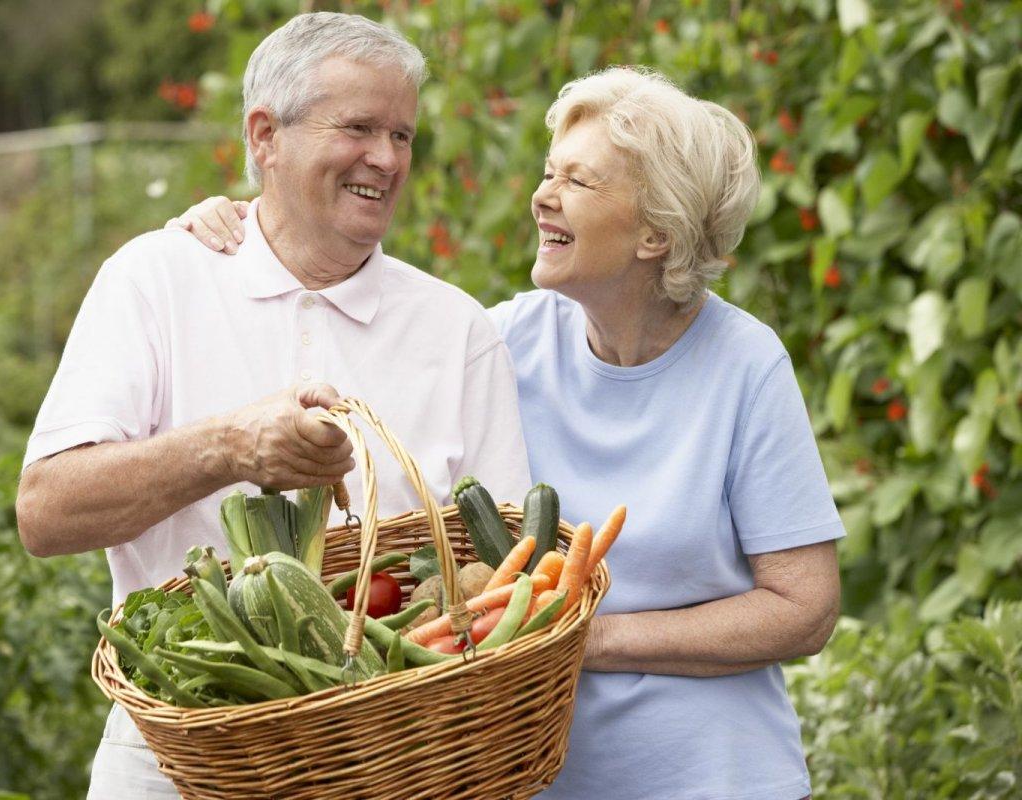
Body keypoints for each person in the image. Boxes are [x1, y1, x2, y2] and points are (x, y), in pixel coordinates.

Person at [173, 66, 843, 800]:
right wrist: (262, 229)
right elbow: (357, 346)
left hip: (715, 779)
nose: (541, 195)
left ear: (658, 231)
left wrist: (580, 636)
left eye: (578, 182)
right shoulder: (508, 337)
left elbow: (803, 608)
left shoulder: (745, 365)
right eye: (548, 171)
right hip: (531, 777)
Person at [15, 12, 531, 799]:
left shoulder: (455, 328)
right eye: (359, 127)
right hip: (178, 757)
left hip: (391, 762)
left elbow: (503, 577)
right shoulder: (156, 279)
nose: (387, 159)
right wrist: (227, 448)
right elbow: (46, 514)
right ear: (265, 137)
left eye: (403, 134)